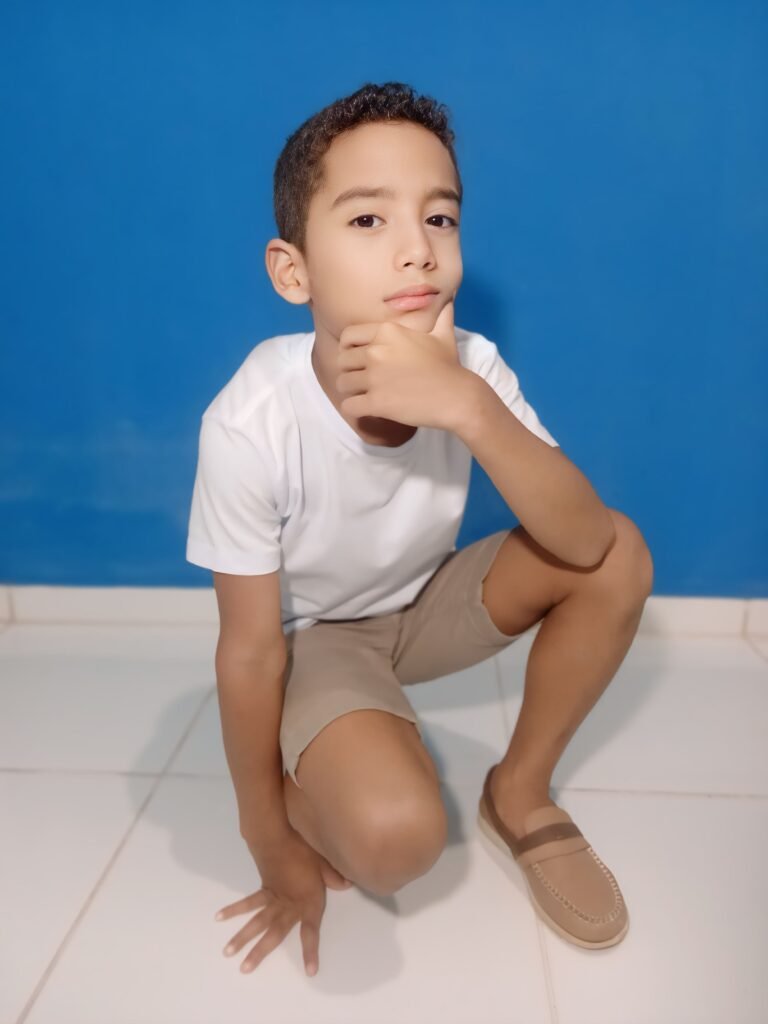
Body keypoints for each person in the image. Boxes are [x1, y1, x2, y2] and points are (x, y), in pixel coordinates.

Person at [185, 81, 654, 978]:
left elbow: (587, 542)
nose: (417, 249)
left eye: (440, 218)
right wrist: (268, 836)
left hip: (425, 604)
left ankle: (518, 793)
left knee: (618, 554)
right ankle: (325, 760)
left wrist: (468, 407)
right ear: (293, 272)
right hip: (316, 639)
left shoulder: (472, 365)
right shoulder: (250, 423)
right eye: (368, 220)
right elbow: (247, 653)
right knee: (397, 838)